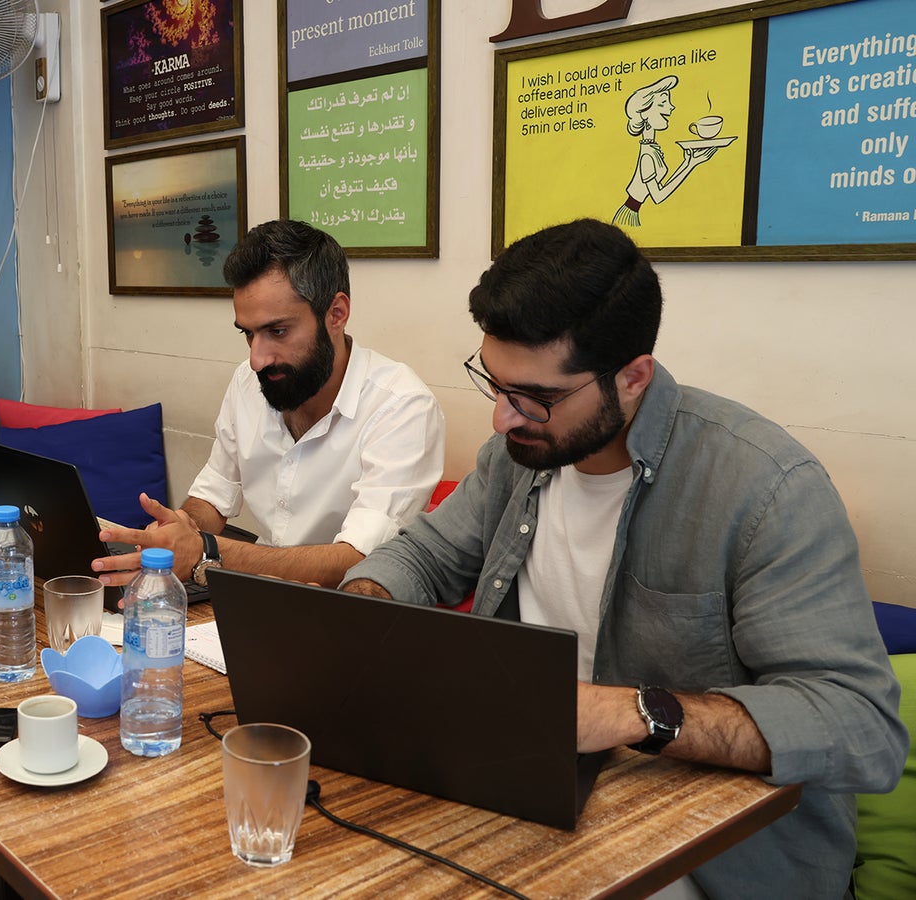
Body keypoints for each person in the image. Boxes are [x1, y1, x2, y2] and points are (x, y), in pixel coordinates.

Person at [340, 219, 906, 899]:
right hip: (530, 793)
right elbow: (424, 556)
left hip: (710, 856)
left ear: (634, 377)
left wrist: (631, 713)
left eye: (538, 398)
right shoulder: (519, 456)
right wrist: (360, 612)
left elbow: (860, 725)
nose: (503, 418)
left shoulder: (765, 488)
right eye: (495, 384)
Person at [93, 219, 445, 590]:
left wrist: (204, 551)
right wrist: (177, 530)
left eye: (277, 331)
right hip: (254, 594)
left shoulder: (402, 406)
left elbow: (359, 560)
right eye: (248, 333)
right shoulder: (249, 381)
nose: (257, 359)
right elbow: (213, 496)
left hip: (345, 610)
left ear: (336, 314)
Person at [612, 75, 717, 227]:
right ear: (644, 113)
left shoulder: (650, 148)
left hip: (633, 213)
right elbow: (658, 196)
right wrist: (690, 165)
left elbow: (659, 188)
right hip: (628, 216)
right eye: (663, 103)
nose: (671, 107)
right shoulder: (647, 155)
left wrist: (689, 162)